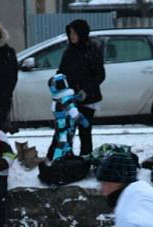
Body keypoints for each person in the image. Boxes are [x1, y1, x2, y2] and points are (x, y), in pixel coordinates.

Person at [57, 19, 105, 157]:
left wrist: (86, 90)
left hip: (88, 98)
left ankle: (86, 158)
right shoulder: (69, 51)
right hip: (70, 98)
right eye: (70, 32)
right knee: (67, 131)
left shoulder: (92, 50)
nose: (72, 35)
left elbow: (100, 75)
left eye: (75, 32)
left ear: (82, 33)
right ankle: (68, 159)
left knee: (85, 131)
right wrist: (56, 82)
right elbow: (62, 71)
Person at [46, 73, 90, 161]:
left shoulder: (57, 99)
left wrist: (75, 98)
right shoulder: (66, 99)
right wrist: (83, 121)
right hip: (67, 125)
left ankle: (66, 156)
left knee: (63, 141)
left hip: (60, 125)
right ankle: (57, 159)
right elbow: (74, 112)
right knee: (64, 141)